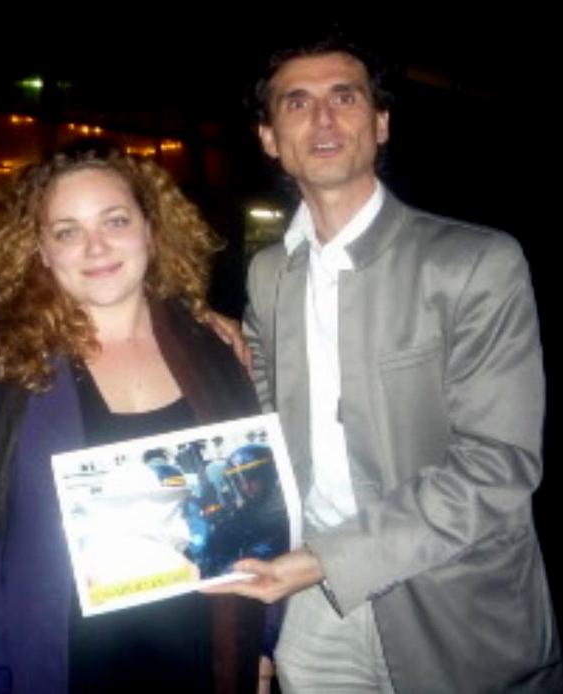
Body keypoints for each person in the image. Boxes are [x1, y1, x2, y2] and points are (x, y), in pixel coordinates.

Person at [211, 33, 562, 692]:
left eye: (344, 97)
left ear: (380, 123)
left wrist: (326, 559)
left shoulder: (473, 263)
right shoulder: (268, 274)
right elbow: (261, 426)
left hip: (452, 599)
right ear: (269, 138)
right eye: (296, 102)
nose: (322, 118)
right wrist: (203, 337)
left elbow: (498, 465)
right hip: (311, 603)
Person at [0, 146, 268, 694]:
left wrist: (263, 644)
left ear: (151, 228)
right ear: (41, 251)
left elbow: (260, 507)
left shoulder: (215, 353)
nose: (95, 247)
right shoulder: (7, 372)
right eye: (67, 231)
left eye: (115, 221)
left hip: (206, 652)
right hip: (70, 662)